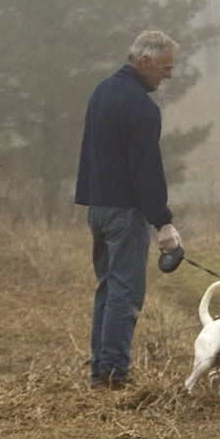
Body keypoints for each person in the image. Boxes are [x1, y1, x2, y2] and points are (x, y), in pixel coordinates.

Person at [75, 29, 185, 389]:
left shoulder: (102, 92)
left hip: (99, 209)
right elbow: (147, 171)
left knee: (108, 290)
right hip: (125, 213)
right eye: (165, 68)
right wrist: (163, 224)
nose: (168, 75)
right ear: (145, 62)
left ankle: (101, 373)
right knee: (125, 294)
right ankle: (113, 376)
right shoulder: (140, 107)